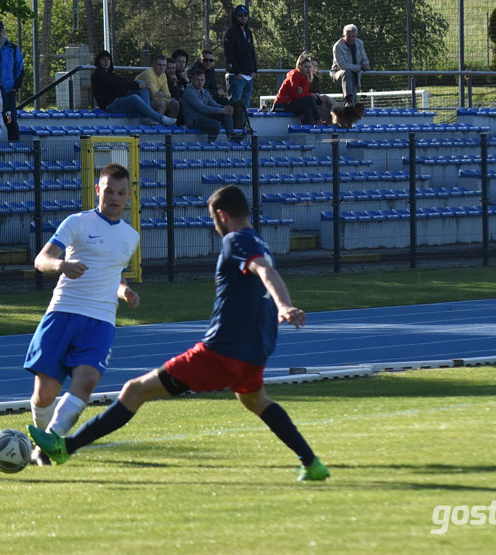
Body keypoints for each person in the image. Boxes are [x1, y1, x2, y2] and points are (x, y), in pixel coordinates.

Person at [29, 185, 330, 482]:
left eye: (214, 220)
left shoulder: (236, 241)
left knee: (135, 390)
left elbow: (264, 271)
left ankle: (65, 447)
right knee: (256, 401)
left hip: (220, 352)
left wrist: (285, 305)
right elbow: (265, 270)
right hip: (255, 350)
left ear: (222, 215)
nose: (216, 227)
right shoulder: (258, 241)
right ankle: (312, 463)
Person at [24, 163, 141, 466]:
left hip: (101, 319)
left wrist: (123, 291)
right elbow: (42, 259)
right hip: (64, 311)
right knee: (45, 394)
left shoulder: (131, 237)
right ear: (98, 190)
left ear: (128, 195)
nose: (114, 198)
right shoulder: (78, 222)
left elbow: (114, 274)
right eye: (109, 191)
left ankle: (47, 447)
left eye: (121, 192)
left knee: (87, 380)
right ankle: (42, 436)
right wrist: (62, 266)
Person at [90, 50, 175, 126]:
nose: (106, 62)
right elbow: (117, 83)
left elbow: (123, 82)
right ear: (99, 61)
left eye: (108, 60)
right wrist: (136, 85)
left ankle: (148, 115)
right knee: (135, 97)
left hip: (119, 100)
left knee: (142, 84)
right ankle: (160, 118)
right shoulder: (98, 74)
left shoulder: (111, 74)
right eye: (103, 60)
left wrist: (138, 85)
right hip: (110, 105)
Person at [182, 68, 238, 142]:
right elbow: (203, 108)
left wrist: (226, 108)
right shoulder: (190, 93)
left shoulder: (204, 91)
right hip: (194, 120)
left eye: (202, 80)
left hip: (203, 117)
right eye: (197, 80)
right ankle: (210, 144)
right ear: (192, 80)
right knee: (216, 124)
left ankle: (231, 136)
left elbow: (214, 104)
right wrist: (222, 110)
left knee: (226, 114)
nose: (200, 82)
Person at [222, 4, 258, 108]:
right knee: (235, 106)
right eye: (240, 15)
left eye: (245, 15)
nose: (243, 18)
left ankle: (242, 125)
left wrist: (254, 70)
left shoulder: (248, 33)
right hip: (236, 76)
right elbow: (229, 55)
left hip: (248, 76)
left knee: (245, 107)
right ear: (235, 16)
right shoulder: (230, 32)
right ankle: (234, 125)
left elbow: (252, 52)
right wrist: (237, 72)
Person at [273, 53, 321, 125]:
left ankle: (308, 126)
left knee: (308, 105)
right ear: (300, 67)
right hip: (281, 105)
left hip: (291, 103)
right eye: (306, 67)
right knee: (310, 98)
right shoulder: (294, 76)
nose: (308, 69)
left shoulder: (306, 78)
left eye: (309, 67)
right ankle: (318, 120)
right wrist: (310, 95)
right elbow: (295, 96)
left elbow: (302, 95)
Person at [331, 24, 370, 105]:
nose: (351, 39)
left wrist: (365, 65)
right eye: (349, 36)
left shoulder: (360, 43)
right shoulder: (337, 46)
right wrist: (360, 67)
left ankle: (351, 106)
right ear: (343, 36)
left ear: (356, 36)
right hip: (338, 73)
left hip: (355, 74)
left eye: (354, 36)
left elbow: (364, 59)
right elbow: (342, 66)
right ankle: (347, 101)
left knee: (354, 100)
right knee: (346, 72)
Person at [135, 54, 180, 120]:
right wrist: (166, 97)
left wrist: (164, 95)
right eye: (159, 65)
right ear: (154, 64)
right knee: (161, 103)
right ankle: (157, 126)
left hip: (151, 99)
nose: (162, 67)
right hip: (140, 101)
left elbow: (168, 94)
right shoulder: (149, 73)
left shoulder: (163, 74)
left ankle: (168, 127)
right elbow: (155, 95)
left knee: (175, 104)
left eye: (164, 65)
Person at [308, 55, 337, 122]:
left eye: (316, 66)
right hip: (308, 99)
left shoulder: (316, 78)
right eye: (313, 65)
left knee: (326, 101)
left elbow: (317, 91)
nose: (315, 68)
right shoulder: (304, 77)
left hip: (315, 99)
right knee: (325, 99)